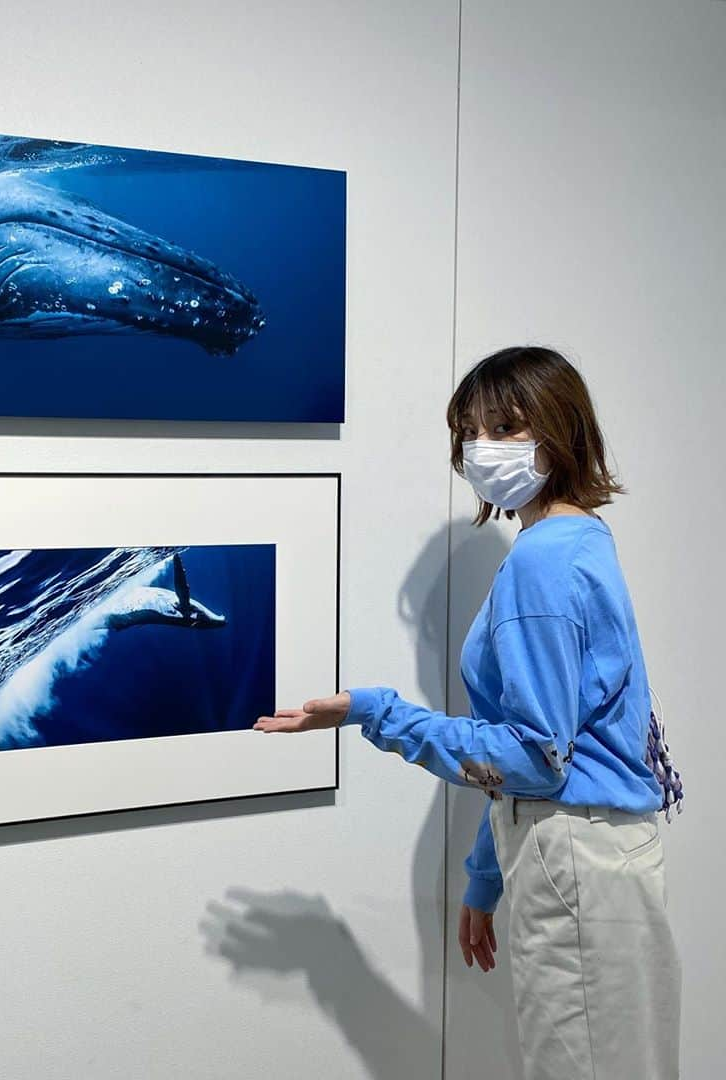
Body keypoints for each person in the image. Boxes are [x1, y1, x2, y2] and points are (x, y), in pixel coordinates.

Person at [255, 346, 681, 1080]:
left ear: (559, 430)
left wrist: (376, 711)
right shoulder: (581, 540)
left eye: (508, 428)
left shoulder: (542, 562)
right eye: (471, 433)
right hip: (599, 855)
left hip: (575, 857)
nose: (484, 450)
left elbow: (534, 757)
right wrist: (486, 873)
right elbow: (560, 741)